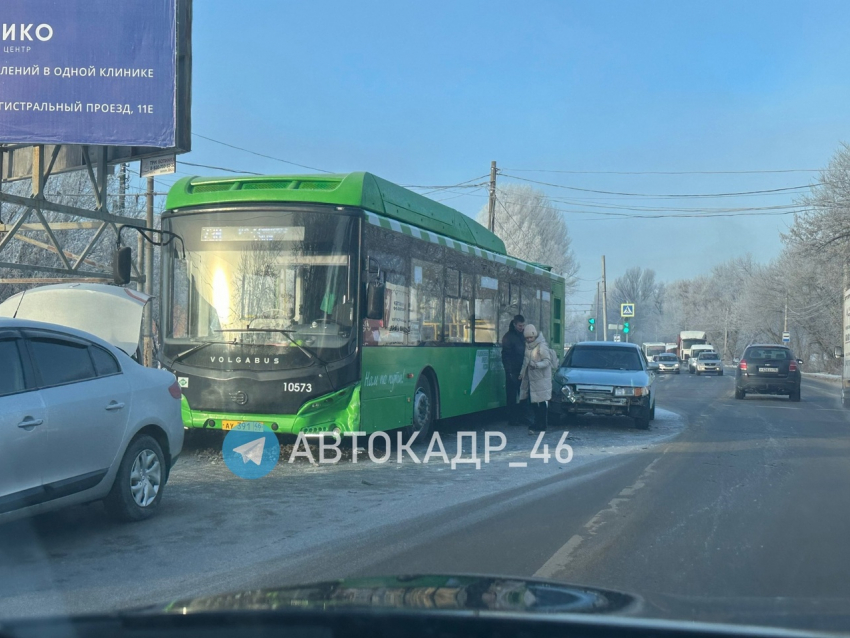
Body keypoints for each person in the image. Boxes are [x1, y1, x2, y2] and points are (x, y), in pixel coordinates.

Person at [519, 324, 552, 435]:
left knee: (541, 403)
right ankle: (538, 423)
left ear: (535, 336)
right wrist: (522, 373)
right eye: (527, 338)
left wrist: (537, 365)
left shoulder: (541, 346)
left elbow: (547, 361)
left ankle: (541, 424)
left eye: (530, 337)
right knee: (534, 402)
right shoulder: (528, 347)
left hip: (541, 379)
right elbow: (525, 361)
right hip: (532, 379)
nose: (529, 340)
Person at [501, 314, 526, 425]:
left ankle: (520, 417)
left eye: (523, 325)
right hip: (513, 370)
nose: (521, 327)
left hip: (522, 370)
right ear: (515, 324)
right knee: (512, 395)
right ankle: (512, 419)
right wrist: (509, 371)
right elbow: (505, 356)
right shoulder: (509, 337)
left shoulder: (522, 336)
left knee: (522, 395)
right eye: (520, 325)